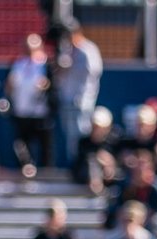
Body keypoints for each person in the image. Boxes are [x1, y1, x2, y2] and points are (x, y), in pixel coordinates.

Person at [55, 20, 103, 168]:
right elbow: (59, 74)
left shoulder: (87, 49)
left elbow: (93, 72)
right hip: (67, 98)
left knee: (81, 134)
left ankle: (83, 166)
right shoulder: (68, 50)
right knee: (70, 136)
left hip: (81, 100)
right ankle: (74, 166)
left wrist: (71, 65)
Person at [5, 34, 52, 178]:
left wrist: (46, 85)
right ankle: (25, 170)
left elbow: (52, 85)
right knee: (22, 143)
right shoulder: (18, 63)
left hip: (40, 111)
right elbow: (9, 86)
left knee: (43, 144)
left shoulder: (45, 64)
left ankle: (45, 173)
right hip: (21, 110)